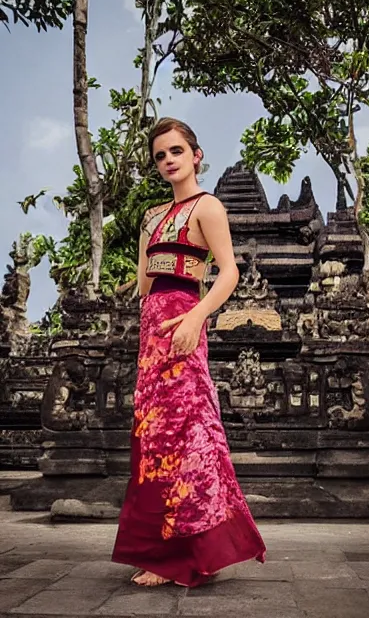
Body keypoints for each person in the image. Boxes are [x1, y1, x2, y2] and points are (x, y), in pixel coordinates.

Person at [111, 117, 266, 587]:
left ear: (195, 155)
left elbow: (229, 273)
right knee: (153, 437)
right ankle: (161, 549)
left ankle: (182, 556)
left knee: (185, 432)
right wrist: (121, 292)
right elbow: (143, 282)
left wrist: (197, 317)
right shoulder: (152, 216)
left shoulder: (208, 206)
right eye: (160, 156)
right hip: (152, 330)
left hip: (185, 321)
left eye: (176, 151)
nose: (168, 161)